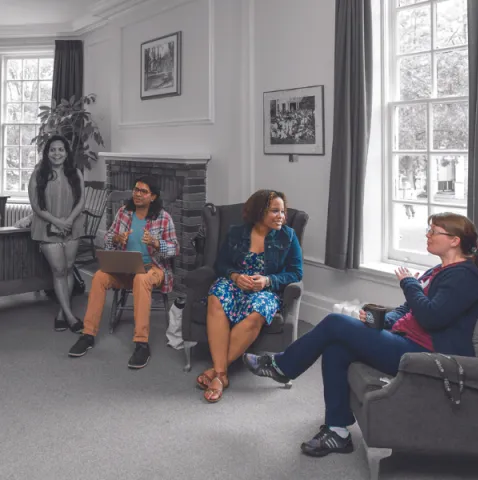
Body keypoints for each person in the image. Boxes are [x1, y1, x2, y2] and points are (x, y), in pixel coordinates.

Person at [244, 212, 478, 458]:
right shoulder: (439, 270)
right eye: (428, 230)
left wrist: (409, 284)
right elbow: (406, 310)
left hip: (427, 355)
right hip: (406, 340)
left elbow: (432, 317)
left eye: (434, 231)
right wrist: (377, 320)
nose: (427, 235)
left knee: (335, 322)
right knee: (337, 347)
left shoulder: (465, 276)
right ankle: (337, 432)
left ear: (454, 240)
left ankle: (282, 367)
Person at [196, 189, 303, 403]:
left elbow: (296, 272)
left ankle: (218, 373)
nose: (282, 216)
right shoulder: (237, 232)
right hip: (235, 284)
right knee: (216, 295)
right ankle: (222, 374)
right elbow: (221, 264)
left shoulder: (288, 236)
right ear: (259, 212)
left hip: (265, 290)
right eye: (275, 211)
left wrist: (268, 280)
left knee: (258, 312)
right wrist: (234, 276)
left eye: (283, 211)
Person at [68, 175, 179, 369]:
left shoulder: (163, 218)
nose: (137, 194)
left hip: (152, 269)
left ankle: (141, 343)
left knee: (141, 279)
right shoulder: (124, 213)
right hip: (125, 267)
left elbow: (174, 249)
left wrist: (156, 243)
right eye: (136, 189)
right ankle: (88, 334)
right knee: (100, 276)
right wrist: (117, 239)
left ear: (152, 197)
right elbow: (109, 238)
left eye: (143, 191)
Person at [28, 134, 86, 333]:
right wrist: (58, 222)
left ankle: (62, 313)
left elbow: (81, 202)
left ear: (67, 152)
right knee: (59, 270)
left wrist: (68, 221)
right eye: (53, 150)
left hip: (72, 226)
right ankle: (71, 317)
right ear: (47, 153)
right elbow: (35, 205)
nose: (57, 153)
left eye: (61, 149)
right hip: (47, 227)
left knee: (69, 269)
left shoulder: (75, 173)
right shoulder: (39, 173)